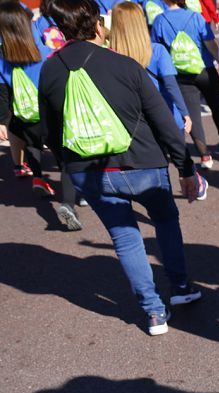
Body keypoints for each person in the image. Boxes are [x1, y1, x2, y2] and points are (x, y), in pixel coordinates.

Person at [39, 0, 204, 336]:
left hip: (89, 171)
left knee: (125, 238)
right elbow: (163, 122)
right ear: (98, 26)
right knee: (165, 221)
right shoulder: (125, 65)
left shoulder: (50, 70)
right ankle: (181, 287)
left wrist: (67, 166)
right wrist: (186, 169)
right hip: (142, 162)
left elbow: (51, 133)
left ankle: (155, 313)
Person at [0, 0, 83, 230]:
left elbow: (3, 92)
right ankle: (69, 203)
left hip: (24, 115)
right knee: (65, 159)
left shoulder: (3, 58)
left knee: (33, 144)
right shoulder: (47, 53)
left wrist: (2, 121)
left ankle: (38, 177)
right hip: (51, 114)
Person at [152, 0, 219, 168]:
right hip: (204, 70)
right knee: (216, 106)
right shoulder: (195, 17)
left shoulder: (159, 21)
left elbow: (157, 50)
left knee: (192, 116)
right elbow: (211, 46)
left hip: (180, 74)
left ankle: (205, 156)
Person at [108, 2, 193, 143]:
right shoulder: (157, 50)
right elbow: (171, 85)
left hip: (133, 122)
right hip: (167, 116)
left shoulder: (110, 55)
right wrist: (185, 113)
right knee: (180, 160)